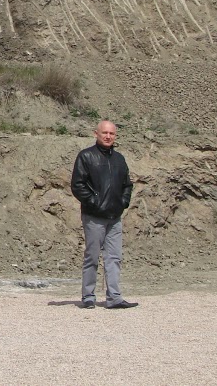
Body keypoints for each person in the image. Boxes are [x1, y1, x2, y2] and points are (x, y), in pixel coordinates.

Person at [70, 120, 137, 309]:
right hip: (94, 217)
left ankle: (114, 297)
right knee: (92, 256)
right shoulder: (86, 156)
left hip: (114, 217)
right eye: (104, 133)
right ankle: (88, 296)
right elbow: (77, 185)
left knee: (114, 257)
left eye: (112, 134)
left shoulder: (119, 159)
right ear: (96, 134)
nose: (108, 136)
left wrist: (123, 202)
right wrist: (95, 202)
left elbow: (127, 185)